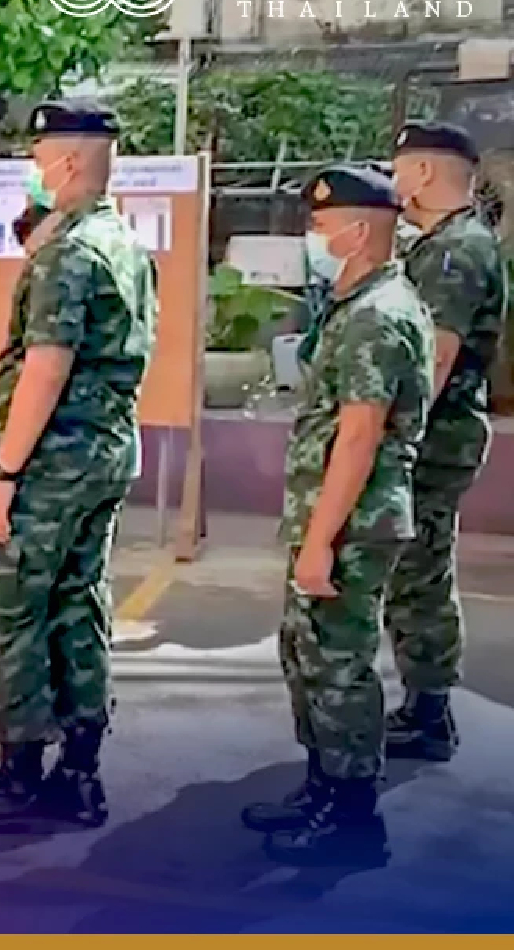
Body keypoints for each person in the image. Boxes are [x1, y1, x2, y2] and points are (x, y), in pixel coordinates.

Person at [0, 101, 155, 835]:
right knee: (79, 605)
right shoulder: (121, 240)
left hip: (55, 459)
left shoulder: (69, 251)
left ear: (65, 162)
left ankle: (21, 777)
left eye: (39, 155)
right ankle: (80, 774)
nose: (34, 170)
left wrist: (4, 474)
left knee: (13, 612)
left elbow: (47, 369)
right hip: (106, 450)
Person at [238, 165, 433, 867]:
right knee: (309, 657)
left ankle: (352, 823)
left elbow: (359, 436)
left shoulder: (379, 316)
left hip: (352, 522)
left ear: (359, 230)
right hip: (332, 516)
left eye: (321, 226)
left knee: (339, 666)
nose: (313, 237)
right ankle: (323, 790)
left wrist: (320, 541)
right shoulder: (358, 304)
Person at [383, 122, 507, 763]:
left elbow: (435, 357)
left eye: (400, 168)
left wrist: (393, 439)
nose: (395, 180)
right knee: (418, 570)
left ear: (426, 173)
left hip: (433, 440)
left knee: (419, 574)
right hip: (438, 436)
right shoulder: (448, 243)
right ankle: (424, 704)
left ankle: (429, 712)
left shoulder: (455, 250)